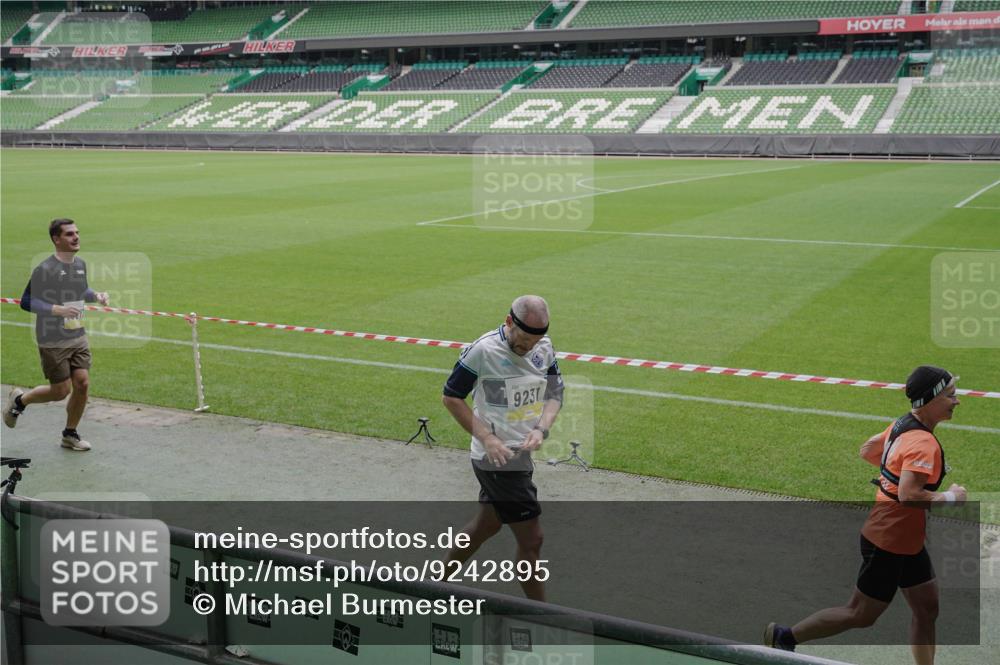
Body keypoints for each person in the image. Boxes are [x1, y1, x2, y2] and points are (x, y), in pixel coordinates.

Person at [765, 365, 967, 665]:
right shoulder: (922, 443)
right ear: (931, 399)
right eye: (951, 395)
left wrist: (893, 474)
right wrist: (952, 497)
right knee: (860, 614)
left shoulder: (904, 424)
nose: (957, 401)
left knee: (927, 607)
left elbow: (868, 451)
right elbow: (909, 496)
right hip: (888, 541)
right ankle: (785, 636)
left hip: (905, 539)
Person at [441, 295, 564, 601]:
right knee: (532, 539)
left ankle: (434, 583)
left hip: (521, 455)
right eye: (524, 340)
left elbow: (555, 392)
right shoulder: (483, 351)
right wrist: (488, 438)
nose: (530, 348)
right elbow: (451, 397)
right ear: (509, 322)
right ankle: (540, 613)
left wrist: (541, 428)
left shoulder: (543, 346)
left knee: (487, 525)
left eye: (536, 341)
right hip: (497, 459)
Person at [3, 219, 109, 451]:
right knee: (61, 391)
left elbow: (81, 289)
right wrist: (56, 309)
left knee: (82, 384)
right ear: (56, 239)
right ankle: (20, 401)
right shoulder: (45, 269)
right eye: (70, 234)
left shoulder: (79, 264)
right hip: (53, 338)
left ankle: (69, 434)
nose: (76, 237)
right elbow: (26, 301)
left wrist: (96, 295)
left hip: (77, 333)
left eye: (77, 233)